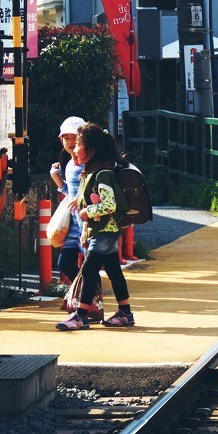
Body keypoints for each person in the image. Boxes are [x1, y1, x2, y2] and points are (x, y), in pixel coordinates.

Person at [56, 123, 135, 330]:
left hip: (105, 231)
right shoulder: (92, 171)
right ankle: (125, 312)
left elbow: (109, 204)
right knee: (113, 270)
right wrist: (85, 230)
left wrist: (86, 213)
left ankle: (81, 315)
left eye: (78, 145)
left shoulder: (102, 174)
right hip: (102, 230)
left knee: (89, 269)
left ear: (91, 150)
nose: (74, 149)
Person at [50, 116, 86, 287]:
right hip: (74, 224)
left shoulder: (91, 164)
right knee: (64, 263)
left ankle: (90, 299)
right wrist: (56, 178)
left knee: (92, 266)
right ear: (61, 140)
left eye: (74, 137)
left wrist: (81, 199)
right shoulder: (70, 165)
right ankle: (84, 293)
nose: (71, 142)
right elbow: (70, 194)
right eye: (66, 138)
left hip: (89, 222)